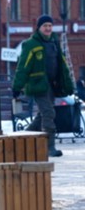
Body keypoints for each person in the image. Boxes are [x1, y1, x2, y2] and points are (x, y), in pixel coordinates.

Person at [13, 14, 74, 158]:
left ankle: (23, 137)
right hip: (38, 85)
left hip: (52, 84)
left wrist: (67, 82)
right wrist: (17, 86)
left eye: (50, 26)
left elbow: (62, 62)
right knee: (48, 113)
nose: (48, 28)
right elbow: (23, 67)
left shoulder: (54, 41)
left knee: (42, 115)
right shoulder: (31, 44)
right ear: (39, 28)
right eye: (45, 26)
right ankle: (49, 147)